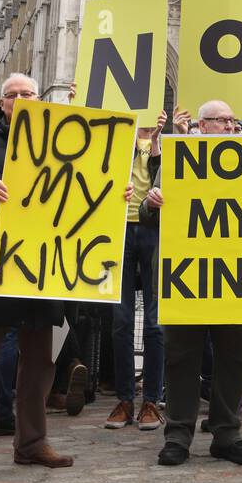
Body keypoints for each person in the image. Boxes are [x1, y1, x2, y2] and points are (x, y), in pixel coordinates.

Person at [0, 72, 72, 483]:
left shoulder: (61, 142)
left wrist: (114, 194)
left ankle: (32, 443)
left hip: (44, 267)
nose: (21, 99)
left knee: (40, 360)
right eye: (13, 94)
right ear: (1, 102)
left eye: (29, 93)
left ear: (39, 98)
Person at [140, 101, 242, 468]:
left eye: (231, 119)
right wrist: (152, 202)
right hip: (188, 272)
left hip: (236, 272)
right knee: (182, 356)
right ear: (202, 125)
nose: (228, 125)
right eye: (221, 120)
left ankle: (227, 432)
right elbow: (148, 212)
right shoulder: (179, 158)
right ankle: (178, 433)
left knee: (235, 355)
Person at [103, 111, 165, 433]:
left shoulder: (161, 144)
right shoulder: (113, 137)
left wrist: (155, 142)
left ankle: (151, 400)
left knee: (155, 321)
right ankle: (125, 399)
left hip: (152, 231)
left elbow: (165, 179)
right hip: (118, 230)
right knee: (121, 320)